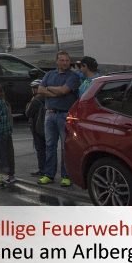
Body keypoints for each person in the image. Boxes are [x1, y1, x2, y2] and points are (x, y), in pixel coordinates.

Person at [37, 50, 81, 186]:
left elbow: (64, 91)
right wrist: (56, 92)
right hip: (49, 114)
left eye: (67, 60)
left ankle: (66, 176)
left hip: (65, 115)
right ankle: (49, 175)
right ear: (57, 61)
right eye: (62, 60)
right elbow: (40, 90)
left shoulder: (73, 76)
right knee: (50, 145)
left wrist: (49, 89)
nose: (65, 63)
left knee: (65, 146)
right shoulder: (49, 74)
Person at [24, 79, 47, 177]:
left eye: (33, 88)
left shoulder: (36, 99)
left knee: (40, 149)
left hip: (37, 127)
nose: (32, 90)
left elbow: (28, 113)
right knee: (46, 148)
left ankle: (42, 170)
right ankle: (47, 169)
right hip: (45, 126)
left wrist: (29, 104)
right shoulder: (47, 97)